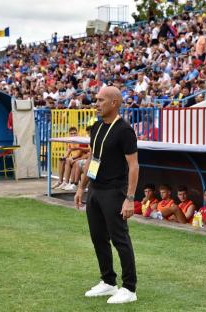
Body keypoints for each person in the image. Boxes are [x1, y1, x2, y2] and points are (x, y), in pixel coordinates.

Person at [74, 86, 139, 304]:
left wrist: (129, 199)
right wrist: (81, 187)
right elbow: (93, 157)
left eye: (101, 100)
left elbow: (134, 166)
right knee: (98, 237)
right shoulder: (97, 126)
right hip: (95, 189)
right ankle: (108, 282)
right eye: (96, 99)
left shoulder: (125, 130)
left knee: (120, 239)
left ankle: (129, 288)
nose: (97, 103)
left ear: (115, 103)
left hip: (114, 191)